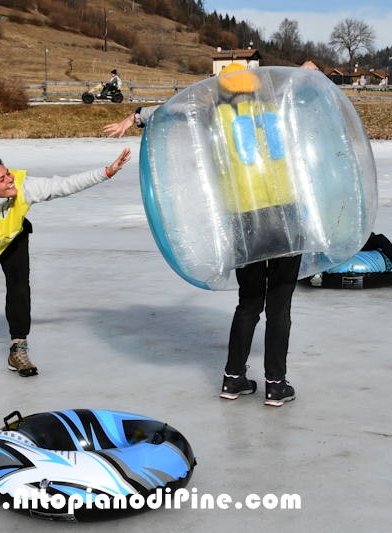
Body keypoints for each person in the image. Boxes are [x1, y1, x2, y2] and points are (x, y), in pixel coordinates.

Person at [103, 64, 298, 406]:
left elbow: (175, 107)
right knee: (279, 307)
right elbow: (300, 84)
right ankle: (276, 384)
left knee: (249, 303)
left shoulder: (213, 114)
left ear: (222, 89)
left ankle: (233, 379)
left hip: (244, 217)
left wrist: (136, 117)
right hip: (285, 213)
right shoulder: (273, 106)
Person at [0, 148, 132, 377]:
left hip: (12, 237)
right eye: (2, 179)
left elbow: (64, 185)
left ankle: (18, 348)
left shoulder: (22, 187)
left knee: (19, 286)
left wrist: (108, 172)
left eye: (7, 173)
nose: (10, 179)